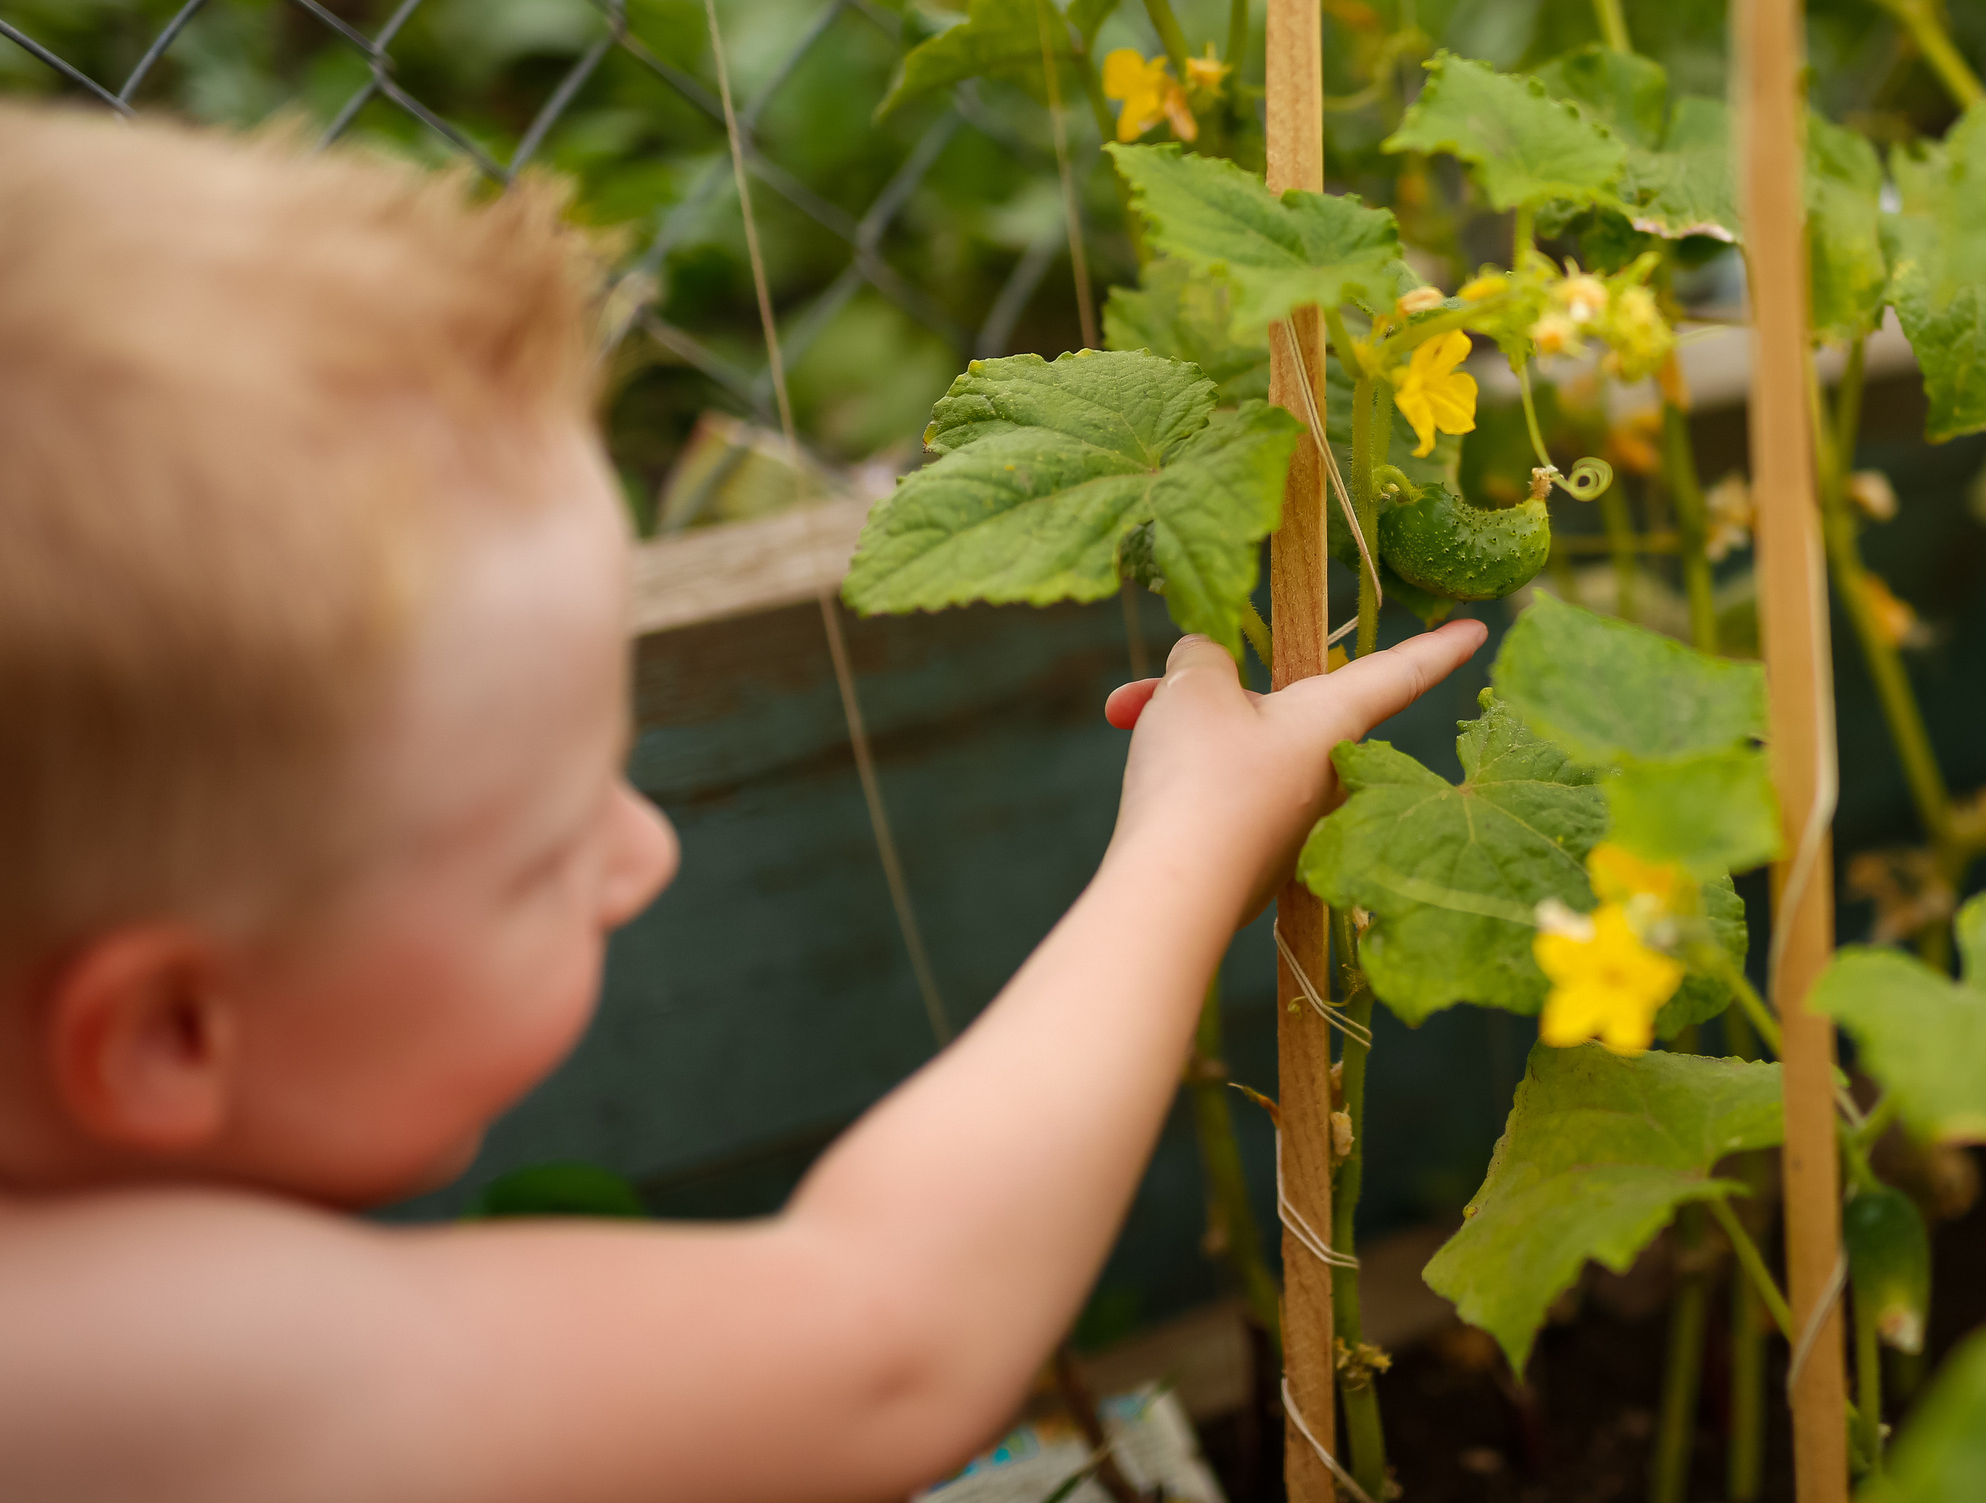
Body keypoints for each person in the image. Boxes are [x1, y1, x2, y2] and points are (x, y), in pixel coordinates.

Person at [0, 104, 1486, 1502]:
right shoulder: (125, 1363)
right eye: (546, 846)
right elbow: (889, 1337)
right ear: (162, 1034)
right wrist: (1190, 842)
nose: (643, 851)